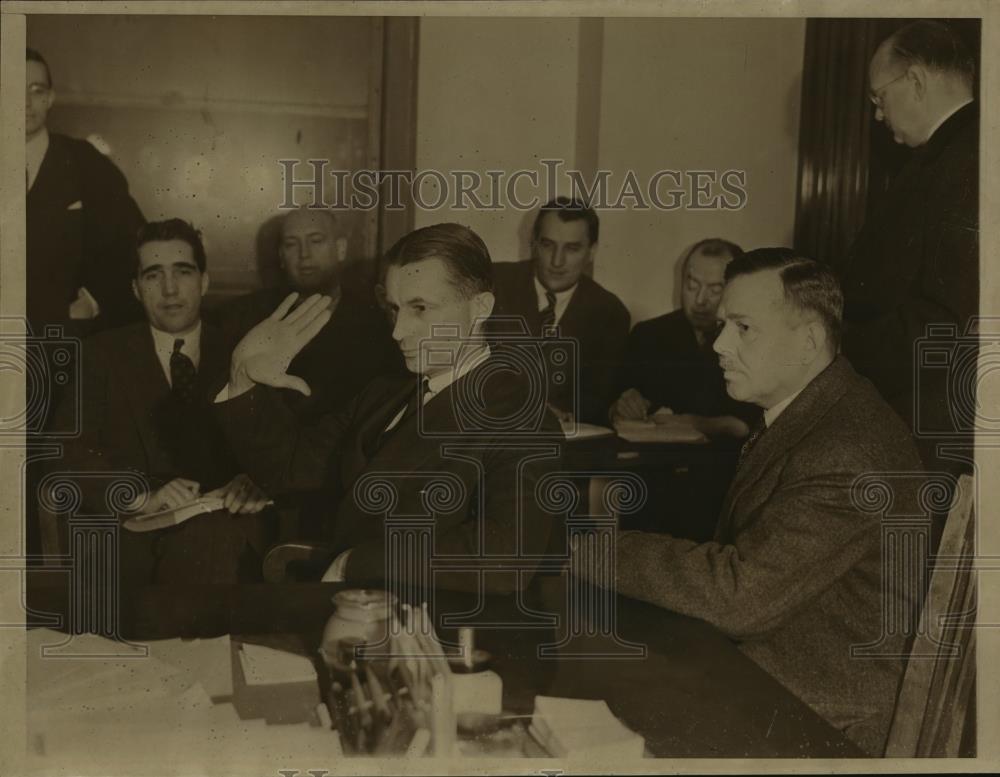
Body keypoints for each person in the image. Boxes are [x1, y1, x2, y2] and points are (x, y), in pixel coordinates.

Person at [573, 249, 923, 755]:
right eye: (722, 326)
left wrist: (590, 549)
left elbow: (741, 596)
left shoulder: (849, 449)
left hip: (829, 717)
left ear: (807, 341)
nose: (718, 345)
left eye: (742, 328)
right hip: (785, 667)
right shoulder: (817, 411)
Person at [214, 223, 564, 593]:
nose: (398, 331)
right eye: (394, 309)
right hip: (361, 609)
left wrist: (355, 564)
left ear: (480, 307)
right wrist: (243, 378)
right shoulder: (385, 393)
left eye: (420, 308)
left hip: (441, 631)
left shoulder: (523, 421)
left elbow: (505, 558)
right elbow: (288, 469)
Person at [50, 219, 272, 585]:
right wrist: (141, 496)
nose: (170, 289)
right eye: (154, 276)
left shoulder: (244, 353)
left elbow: (278, 450)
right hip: (130, 540)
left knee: (209, 549)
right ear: (136, 289)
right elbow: (64, 452)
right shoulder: (101, 356)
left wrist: (254, 480)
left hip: (224, 539)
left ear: (204, 281)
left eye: (182, 272)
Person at [837, 21, 978, 473]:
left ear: (915, 81)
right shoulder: (947, 154)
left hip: (930, 422)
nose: (878, 114)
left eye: (880, 98)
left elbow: (949, 319)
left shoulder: (966, 160)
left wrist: (838, 358)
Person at [216, 207, 402, 423]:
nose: (304, 254)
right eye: (291, 244)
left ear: (340, 248)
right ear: (281, 256)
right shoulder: (242, 315)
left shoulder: (379, 320)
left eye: (316, 240)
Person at [25, 47, 145, 335]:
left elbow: (133, 241)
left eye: (36, 90)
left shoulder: (84, 161)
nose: (25, 102)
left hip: (68, 335)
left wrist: (94, 300)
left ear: (50, 98)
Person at [489, 197, 630, 425]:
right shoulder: (492, 284)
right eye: (548, 245)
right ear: (533, 243)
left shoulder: (610, 312)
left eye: (572, 248)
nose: (557, 261)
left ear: (591, 252)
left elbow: (596, 398)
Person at [611, 238, 756, 439]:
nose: (699, 300)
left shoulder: (751, 341)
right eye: (692, 285)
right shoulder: (647, 335)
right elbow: (614, 407)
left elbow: (747, 426)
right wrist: (623, 406)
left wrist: (694, 423)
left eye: (715, 290)